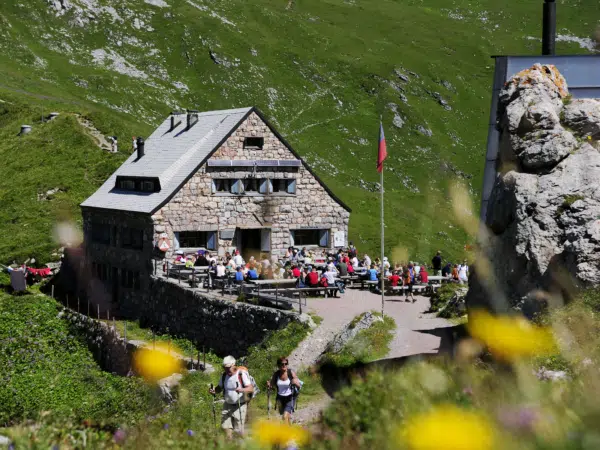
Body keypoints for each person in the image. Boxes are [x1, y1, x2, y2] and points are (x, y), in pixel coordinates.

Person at [209, 356, 254, 439]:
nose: (226, 370)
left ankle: (246, 443)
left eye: (228, 368)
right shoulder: (224, 376)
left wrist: (242, 389)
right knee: (225, 427)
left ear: (234, 365)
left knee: (238, 431)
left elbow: (250, 388)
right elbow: (219, 388)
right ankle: (230, 444)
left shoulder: (241, 374)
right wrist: (214, 390)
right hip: (227, 404)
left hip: (240, 405)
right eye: (224, 368)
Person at [267, 356, 301, 425]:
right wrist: (269, 385)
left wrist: (295, 382)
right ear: (278, 365)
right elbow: (271, 385)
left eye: (286, 364)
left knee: (284, 417)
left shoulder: (290, 372)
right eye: (282, 364)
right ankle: (290, 428)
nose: (284, 365)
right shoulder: (276, 374)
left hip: (290, 397)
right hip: (280, 398)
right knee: (284, 415)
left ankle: (287, 434)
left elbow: (299, 386)